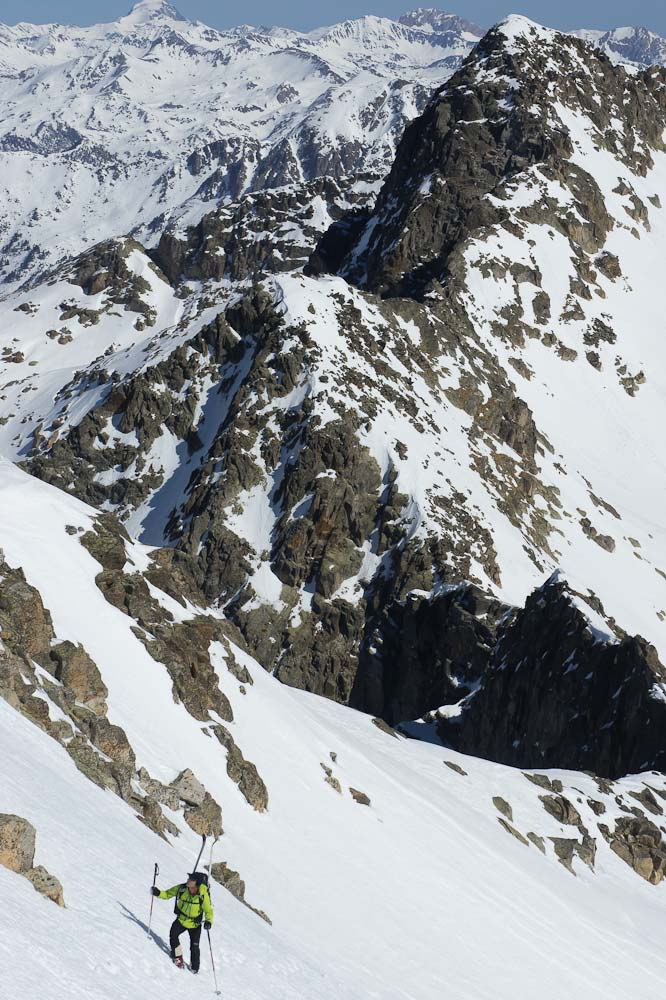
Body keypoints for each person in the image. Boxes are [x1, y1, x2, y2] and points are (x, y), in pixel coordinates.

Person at [151, 872, 214, 973]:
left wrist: (208, 921)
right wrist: (158, 893)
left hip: (195, 924)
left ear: (197, 883)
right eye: (189, 878)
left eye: (191, 879)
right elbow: (167, 894)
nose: (188, 880)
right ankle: (178, 957)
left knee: (194, 946)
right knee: (173, 935)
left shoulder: (203, 895)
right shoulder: (182, 888)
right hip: (181, 920)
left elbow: (208, 911)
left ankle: (194, 967)